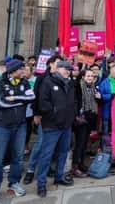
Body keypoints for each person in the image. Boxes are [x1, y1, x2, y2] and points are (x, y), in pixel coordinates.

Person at [0, 59, 35, 204]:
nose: (24, 71)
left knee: (18, 157)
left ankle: (14, 182)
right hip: (2, 126)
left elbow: (31, 97)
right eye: (22, 69)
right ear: (14, 70)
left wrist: (14, 98)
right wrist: (22, 100)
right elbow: (0, 103)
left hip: (20, 125)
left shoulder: (24, 82)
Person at [35, 61, 76, 198]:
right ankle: (41, 184)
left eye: (69, 69)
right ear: (58, 69)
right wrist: (54, 115)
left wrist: (71, 116)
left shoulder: (70, 83)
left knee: (63, 152)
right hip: (52, 126)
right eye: (65, 69)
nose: (68, 71)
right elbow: (43, 103)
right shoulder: (48, 82)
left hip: (66, 125)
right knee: (46, 155)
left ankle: (59, 176)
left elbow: (73, 101)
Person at [23, 54, 63, 185]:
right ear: (50, 64)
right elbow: (36, 97)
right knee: (40, 144)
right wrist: (36, 114)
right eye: (58, 63)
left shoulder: (61, 78)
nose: (60, 66)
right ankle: (30, 170)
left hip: (57, 118)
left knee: (52, 145)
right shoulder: (42, 78)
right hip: (44, 116)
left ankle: (46, 168)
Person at [72, 69, 101, 177]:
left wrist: (99, 97)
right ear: (83, 77)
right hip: (81, 118)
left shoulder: (93, 87)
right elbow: (76, 103)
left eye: (92, 76)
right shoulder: (78, 87)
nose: (90, 78)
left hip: (90, 117)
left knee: (84, 142)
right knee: (79, 143)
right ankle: (75, 167)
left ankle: (81, 164)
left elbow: (96, 102)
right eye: (88, 76)